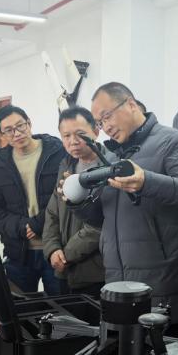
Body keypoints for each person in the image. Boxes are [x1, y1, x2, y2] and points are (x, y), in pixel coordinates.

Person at [89, 82, 178, 338]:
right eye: (99, 122)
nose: (105, 126)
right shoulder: (111, 157)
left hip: (162, 288)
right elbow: (103, 219)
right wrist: (75, 202)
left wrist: (147, 182)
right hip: (119, 287)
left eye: (107, 116)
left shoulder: (171, 141)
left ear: (131, 104)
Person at [0, 105, 65, 295]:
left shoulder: (57, 152)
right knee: (21, 307)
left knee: (60, 307)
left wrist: (39, 223)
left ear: (29, 123)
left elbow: (65, 197)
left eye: (20, 126)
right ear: (1, 135)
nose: (17, 133)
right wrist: (21, 226)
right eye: (9, 130)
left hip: (56, 247)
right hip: (18, 252)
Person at [43, 107, 105, 297]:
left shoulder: (107, 167)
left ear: (96, 131)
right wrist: (53, 249)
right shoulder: (66, 166)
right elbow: (52, 212)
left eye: (80, 134)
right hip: (65, 270)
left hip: (96, 272)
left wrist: (66, 255)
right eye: (66, 136)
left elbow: (99, 225)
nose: (73, 141)